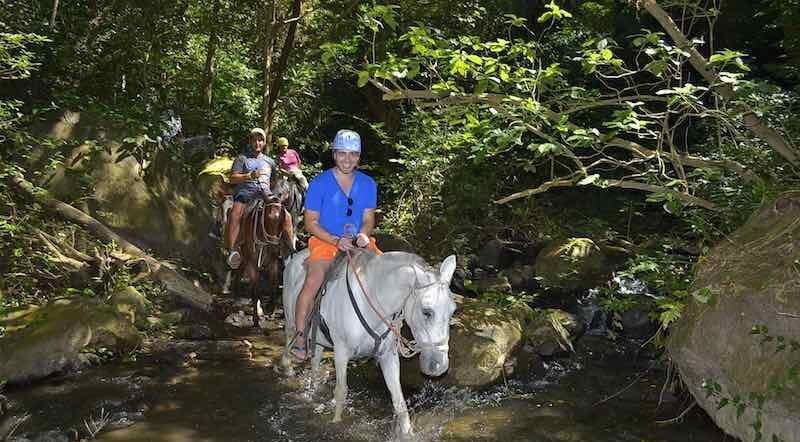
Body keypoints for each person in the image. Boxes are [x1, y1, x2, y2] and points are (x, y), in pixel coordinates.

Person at [291, 129, 381, 360]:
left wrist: (363, 234)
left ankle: (390, 331)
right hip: (325, 241)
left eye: (353, 154)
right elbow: (310, 223)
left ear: (359, 157)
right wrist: (335, 240)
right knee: (312, 282)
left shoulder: (368, 184)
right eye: (342, 154)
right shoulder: (320, 183)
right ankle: (300, 336)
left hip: (358, 243)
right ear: (334, 154)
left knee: (387, 273)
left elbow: (368, 218)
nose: (347, 159)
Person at [225, 128, 278, 269]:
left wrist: (271, 193)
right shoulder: (242, 158)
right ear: (250, 141)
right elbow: (232, 178)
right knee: (235, 215)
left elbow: (274, 182)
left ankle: (287, 247)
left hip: (265, 196)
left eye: (260, 140)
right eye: (255, 140)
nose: (257, 143)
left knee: (285, 215)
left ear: (265, 143)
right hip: (245, 195)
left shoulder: (270, 162)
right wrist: (249, 176)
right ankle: (233, 251)